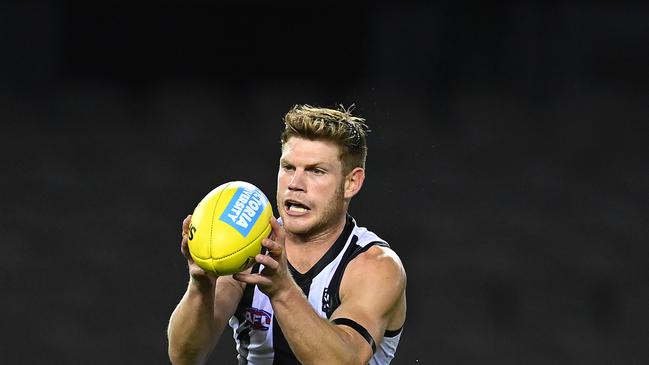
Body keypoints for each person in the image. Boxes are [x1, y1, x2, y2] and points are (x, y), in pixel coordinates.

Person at [167, 104, 407, 364]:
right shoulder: (248, 245)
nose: (295, 184)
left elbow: (344, 361)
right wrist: (201, 285)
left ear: (351, 182)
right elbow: (185, 357)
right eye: (289, 167)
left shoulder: (376, 266)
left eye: (316, 171)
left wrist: (282, 291)